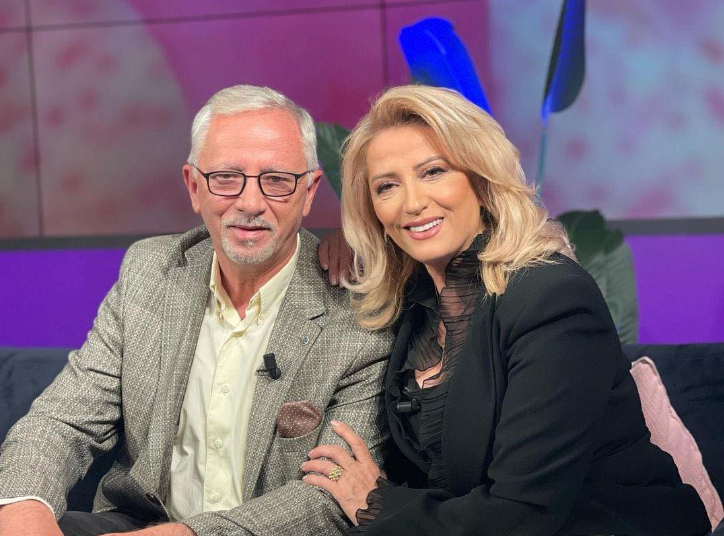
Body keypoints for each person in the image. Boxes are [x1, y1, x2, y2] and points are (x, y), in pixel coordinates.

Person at [303, 85, 710, 536]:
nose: (412, 203)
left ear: (481, 180)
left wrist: (377, 505)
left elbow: (522, 514)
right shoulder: (414, 309)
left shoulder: (552, 298)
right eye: (387, 186)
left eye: (434, 171)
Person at [0, 85, 393, 536]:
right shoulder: (149, 272)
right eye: (225, 177)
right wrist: (23, 511)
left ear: (308, 192)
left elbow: (329, 498)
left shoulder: (358, 314)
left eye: (276, 180)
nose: (250, 203)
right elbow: (62, 420)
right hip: (137, 523)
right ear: (193, 186)